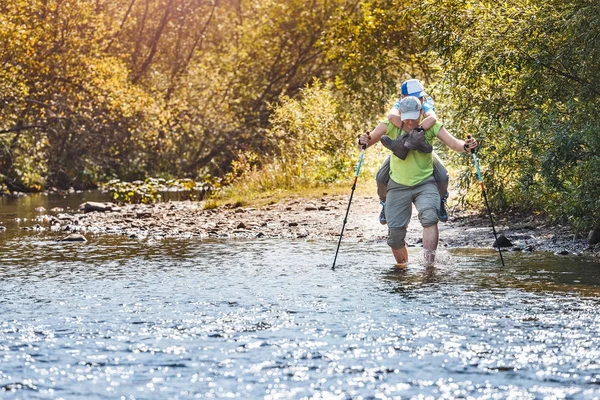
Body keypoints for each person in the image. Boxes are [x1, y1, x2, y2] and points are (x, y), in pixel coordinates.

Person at [358, 96, 477, 266]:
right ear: (400, 113)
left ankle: (429, 266)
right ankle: (403, 268)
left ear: (421, 112)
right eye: (406, 117)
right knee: (395, 236)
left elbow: (454, 143)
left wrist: (466, 146)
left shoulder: (431, 126)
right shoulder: (390, 125)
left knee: (430, 218)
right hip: (398, 186)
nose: (410, 122)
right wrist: (361, 141)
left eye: (414, 117)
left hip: (425, 183)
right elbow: (366, 143)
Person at [375, 79, 450, 225]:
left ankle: (441, 201)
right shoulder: (398, 105)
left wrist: (416, 132)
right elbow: (391, 117)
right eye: (416, 96)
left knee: (443, 176)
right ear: (403, 97)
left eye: (421, 96)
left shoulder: (425, 104)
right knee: (380, 177)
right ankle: (384, 203)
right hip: (402, 144)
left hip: (421, 144)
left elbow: (432, 119)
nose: (420, 100)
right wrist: (410, 130)